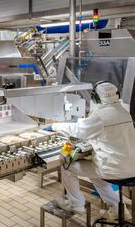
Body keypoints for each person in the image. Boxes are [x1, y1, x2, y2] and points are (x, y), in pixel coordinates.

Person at [49, 82, 135, 220]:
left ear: (95, 97)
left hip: (114, 169)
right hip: (131, 167)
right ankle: (119, 209)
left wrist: (55, 125)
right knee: (95, 175)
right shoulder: (124, 112)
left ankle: (76, 204)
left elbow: (78, 130)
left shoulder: (100, 116)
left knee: (66, 165)